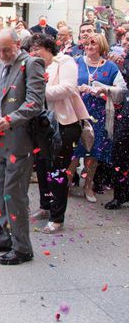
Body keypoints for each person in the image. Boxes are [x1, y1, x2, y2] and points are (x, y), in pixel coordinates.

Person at [0, 28, 45, 265]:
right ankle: (4, 237)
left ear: (17, 45)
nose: (2, 54)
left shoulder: (32, 64)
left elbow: (35, 103)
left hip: (19, 141)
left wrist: (10, 119)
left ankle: (22, 247)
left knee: (15, 194)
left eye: (6, 50)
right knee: (0, 191)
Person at [28, 34, 88, 233]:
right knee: (43, 168)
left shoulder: (65, 61)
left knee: (58, 171)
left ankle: (57, 217)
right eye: (31, 49)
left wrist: (37, 92)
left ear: (48, 47)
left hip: (64, 123)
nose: (34, 52)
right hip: (41, 124)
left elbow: (69, 88)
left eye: (37, 48)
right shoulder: (34, 66)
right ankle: (45, 206)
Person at [71, 33, 126, 202]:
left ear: (101, 47)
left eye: (93, 44)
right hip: (76, 112)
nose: (89, 47)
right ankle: (65, 182)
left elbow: (122, 89)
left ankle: (88, 185)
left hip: (98, 115)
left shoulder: (110, 67)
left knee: (93, 152)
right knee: (73, 151)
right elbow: (66, 82)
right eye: (87, 44)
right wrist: (76, 88)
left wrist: (105, 89)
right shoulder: (76, 62)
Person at [107, 29, 129, 209]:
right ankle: (119, 194)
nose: (126, 43)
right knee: (120, 149)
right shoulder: (120, 61)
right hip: (125, 113)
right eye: (125, 39)